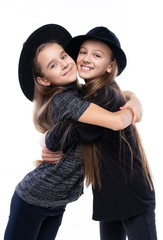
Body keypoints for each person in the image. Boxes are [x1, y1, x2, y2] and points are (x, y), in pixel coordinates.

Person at [4, 24, 141, 240]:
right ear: (44, 80)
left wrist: (134, 100)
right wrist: (131, 113)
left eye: (63, 56)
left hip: (57, 201)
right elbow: (115, 121)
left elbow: (122, 93)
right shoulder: (64, 100)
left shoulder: (80, 93)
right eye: (53, 65)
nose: (65, 64)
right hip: (33, 198)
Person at [42, 27, 157, 240]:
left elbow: (67, 135)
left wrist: (46, 140)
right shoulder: (94, 94)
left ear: (109, 66)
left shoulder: (105, 97)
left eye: (97, 55)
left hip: (132, 194)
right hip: (108, 194)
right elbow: (122, 94)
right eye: (83, 52)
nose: (86, 59)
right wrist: (134, 98)